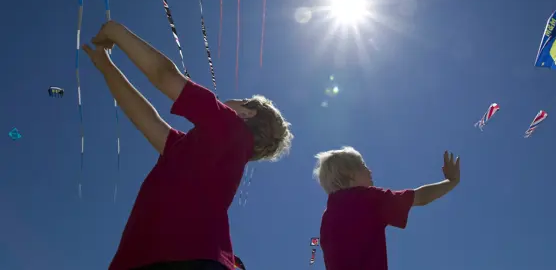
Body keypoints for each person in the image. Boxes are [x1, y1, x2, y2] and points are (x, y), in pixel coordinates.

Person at [83, 21, 293, 270]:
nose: (234, 99)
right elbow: (146, 119)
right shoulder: (194, 148)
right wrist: (106, 66)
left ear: (248, 114)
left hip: (179, 258)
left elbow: (165, 76)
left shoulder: (228, 123)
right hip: (161, 258)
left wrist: (115, 31)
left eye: (244, 100)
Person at [313, 146, 460, 270]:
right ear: (350, 174)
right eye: (363, 166)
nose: (370, 171)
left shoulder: (327, 217)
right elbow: (420, 197)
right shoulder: (367, 199)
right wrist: (451, 182)